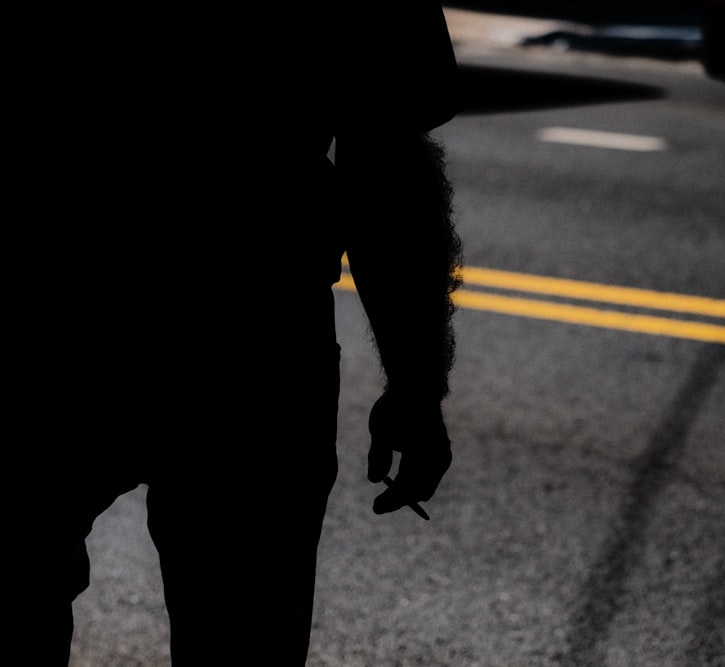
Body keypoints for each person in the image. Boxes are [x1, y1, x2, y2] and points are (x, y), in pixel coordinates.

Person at [1, 4, 462, 665]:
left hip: (49, 324)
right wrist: (416, 381)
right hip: (249, 340)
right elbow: (390, 164)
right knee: (244, 632)